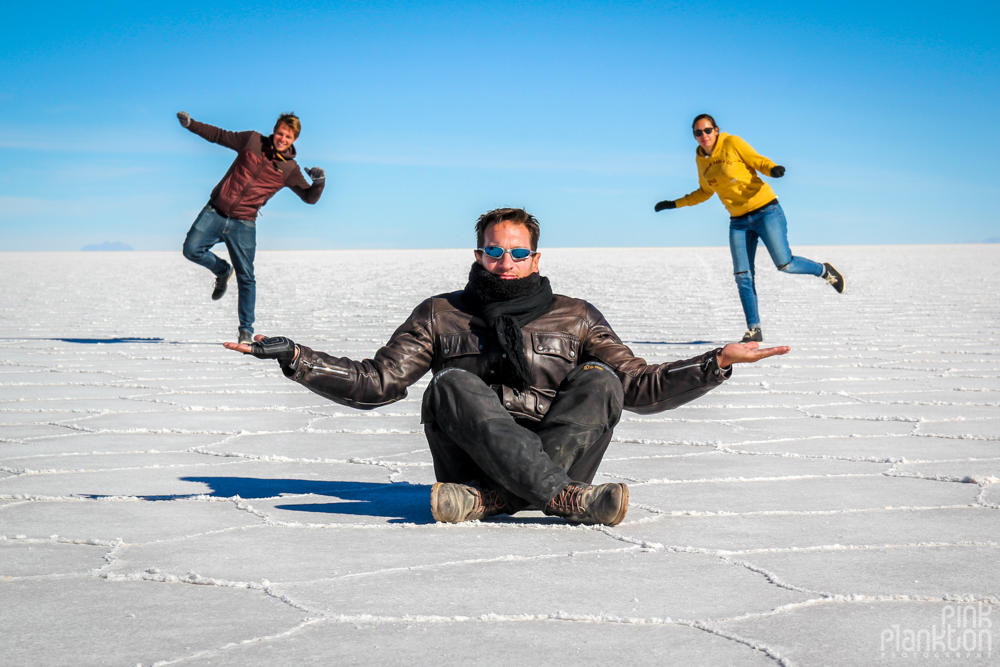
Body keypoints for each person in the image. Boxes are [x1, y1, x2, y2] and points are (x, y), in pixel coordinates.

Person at [224, 208, 790, 526]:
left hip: (552, 448)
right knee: (451, 384)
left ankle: (494, 499)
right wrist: (297, 359)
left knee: (601, 380)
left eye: (518, 252)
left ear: (536, 258)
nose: (506, 261)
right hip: (473, 456)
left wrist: (715, 362)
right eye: (495, 251)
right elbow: (379, 383)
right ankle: (563, 498)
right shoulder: (441, 313)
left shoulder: (576, 317)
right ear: (477, 256)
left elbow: (639, 387)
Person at [654, 114, 844, 343]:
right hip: (739, 222)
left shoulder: (732, 143)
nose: (703, 136)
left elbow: (757, 160)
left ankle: (823, 270)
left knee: (785, 264)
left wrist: (772, 169)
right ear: (694, 136)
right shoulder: (701, 160)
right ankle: (754, 329)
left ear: (716, 130)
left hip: (765, 211)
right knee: (743, 275)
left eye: (707, 130)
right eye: (698, 132)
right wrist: (674, 204)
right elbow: (704, 191)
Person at [177, 111, 326, 344]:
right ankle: (222, 271)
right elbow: (219, 135)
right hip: (215, 210)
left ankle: (245, 330)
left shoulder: (290, 170)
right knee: (191, 249)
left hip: (244, 223)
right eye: (280, 133)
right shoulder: (252, 141)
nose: (282, 138)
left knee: (247, 277)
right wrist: (191, 125)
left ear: (294, 139)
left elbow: (309, 198)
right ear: (274, 131)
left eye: (288, 136)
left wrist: (319, 182)